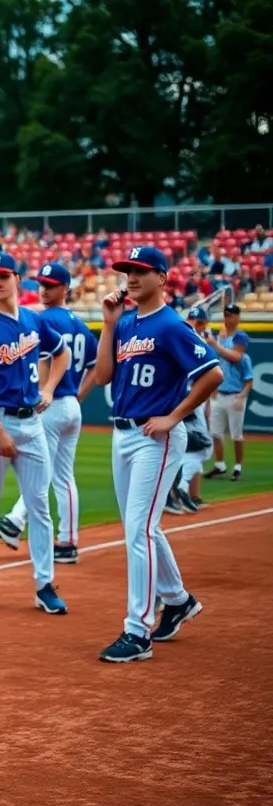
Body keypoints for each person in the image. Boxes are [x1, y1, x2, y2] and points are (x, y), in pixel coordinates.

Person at [93, 246, 222, 662]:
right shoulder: (127, 322)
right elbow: (103, 376)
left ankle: (138, 631)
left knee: (138, 529)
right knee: (144, 526)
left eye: (141, 271)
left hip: (156, 436)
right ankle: (179, 600)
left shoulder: (171, 326)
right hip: (123, 433)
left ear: (162, 278)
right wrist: (108, 325)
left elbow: (213, 373)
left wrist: (174, 416)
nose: (131, 277)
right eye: (128, 271)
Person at [0, 251, 71, 615]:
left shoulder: (33, 322)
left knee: (40, 508)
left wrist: (50, 389)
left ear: (17, 278)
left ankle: (44, 585)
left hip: (32, 423)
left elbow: (62, 353)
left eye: (4, 275)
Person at [0, 263, 99, 564]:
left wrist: (41, 391)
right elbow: (96, 367)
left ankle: (15, 521)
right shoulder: (81, 325)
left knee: (44, 473)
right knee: (63, 476)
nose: (44, 289)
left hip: (48, 405)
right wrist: (78, 394)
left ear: (65, 288)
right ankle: (66, 541)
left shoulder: (39, 320)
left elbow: (41, 361)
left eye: (51, 285)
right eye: (41, 283)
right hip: (70, 405)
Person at [167, 306, 217, 513]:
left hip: (194, 400)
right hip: (186, 398)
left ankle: (186, 493)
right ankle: (179, 489)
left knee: (188, 450)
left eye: (198, 322)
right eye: (192, 321)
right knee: (202, 448)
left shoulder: (195, 340)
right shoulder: (185, 339)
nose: (194, 325)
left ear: (204, 324)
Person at [202, 303, 253, 481]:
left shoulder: (239, 336)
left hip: (235, 394)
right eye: (226, 314)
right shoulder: (221, 337)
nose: (227, 317)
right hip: (219, 392)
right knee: (215, 433)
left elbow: (235, 357)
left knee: (236, 434)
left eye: (231, 314)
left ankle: (238, 466)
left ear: (237, 317)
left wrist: (215, 343)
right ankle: (220, 464)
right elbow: (215, 364)